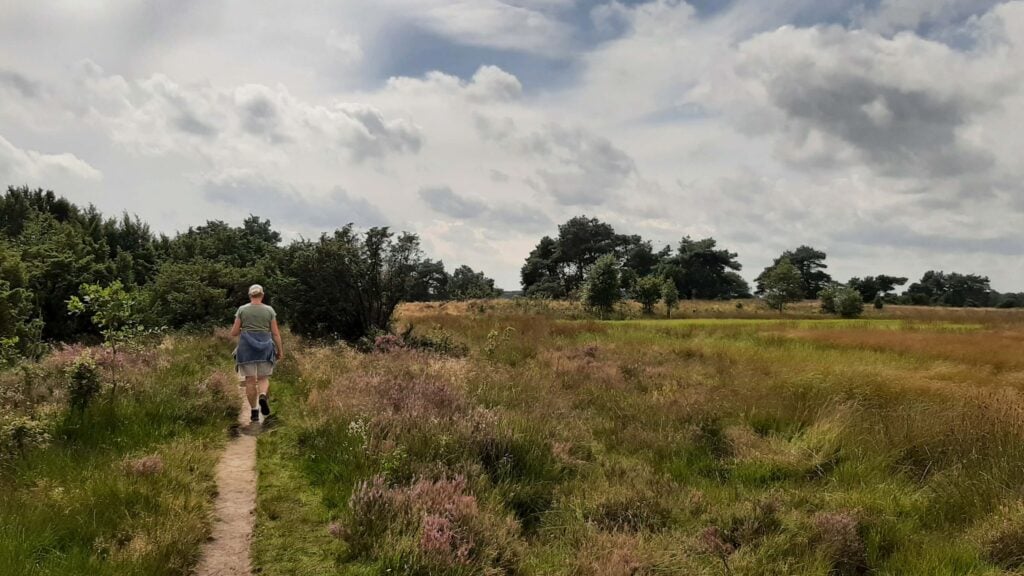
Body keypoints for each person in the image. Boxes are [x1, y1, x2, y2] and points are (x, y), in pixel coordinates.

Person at [230, 284, 284, 422]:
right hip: (265, 347)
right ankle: (263, 396)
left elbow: (234, 332)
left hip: (246, 348)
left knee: (250, 380)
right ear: (262, 295)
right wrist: (279, 351)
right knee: (263, 378)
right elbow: (276, 333)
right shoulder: (269, 310)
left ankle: (254, 412)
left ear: (250, 295)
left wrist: (243, 328)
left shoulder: (242, 310)